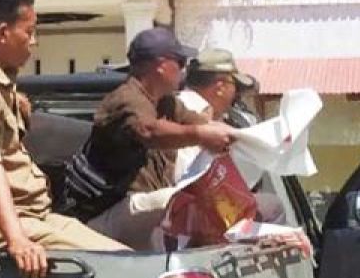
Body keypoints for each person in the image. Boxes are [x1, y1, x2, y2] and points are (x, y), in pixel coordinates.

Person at [0, 0, 126, 278]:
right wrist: (16, 239)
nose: (34, 41)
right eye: (29, 31)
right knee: (121, 269)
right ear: (2, 32)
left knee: (132, 259)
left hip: (36, 216)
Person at [82, 29, 236, 249]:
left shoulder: (165, 102)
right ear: (162, 65)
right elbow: (151, 132)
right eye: (180, 63)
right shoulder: (126, 99)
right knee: (183, 200)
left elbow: (198, 123)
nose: (183, 72)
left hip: (141, 210)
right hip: (108, 214)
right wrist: (201, 136)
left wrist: (239, 136)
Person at [173, 48, 257, 181]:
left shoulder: (175, 105)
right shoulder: (187, 112)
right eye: (235, 86)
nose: (235, 95)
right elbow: (185, 177)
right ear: (220, 87)